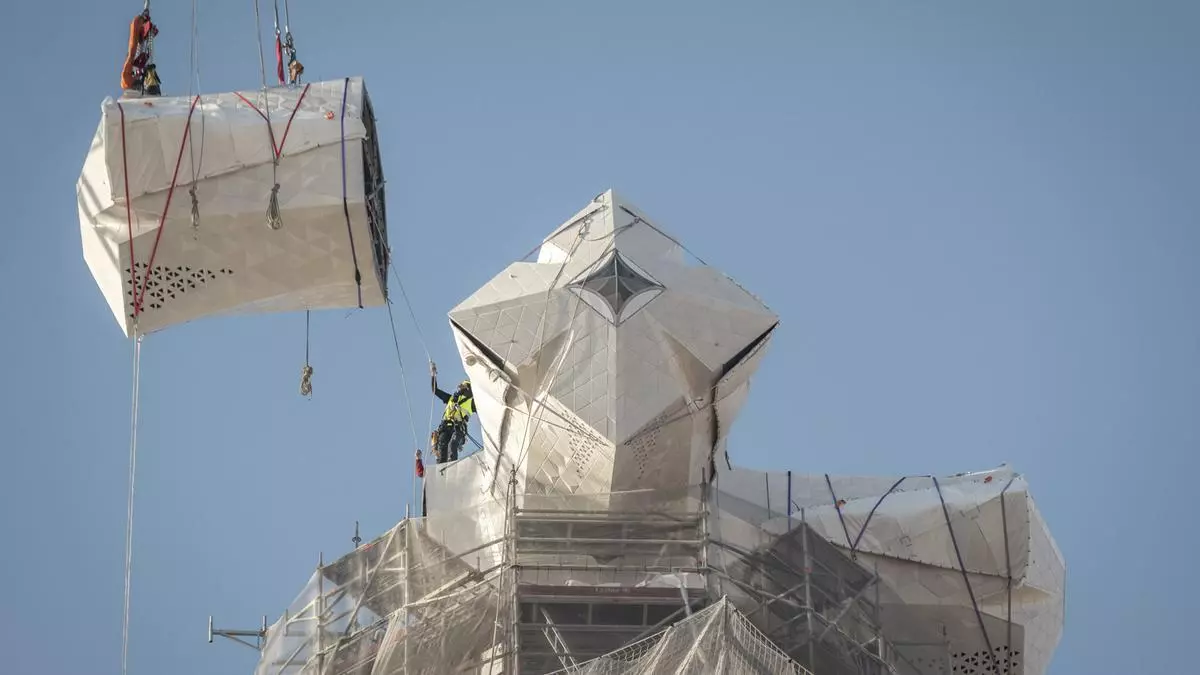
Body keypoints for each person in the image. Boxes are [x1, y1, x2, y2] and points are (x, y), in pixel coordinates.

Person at [430, 361, 474, 463]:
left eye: (465, 388)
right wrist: (433, 375)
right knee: (442, 446)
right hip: (445, 427)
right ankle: (442, 469)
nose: (463, 390)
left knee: (452, 445)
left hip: (458, 428)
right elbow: (435, 390)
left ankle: (451, 466)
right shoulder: (451, 398)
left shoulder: (472, 403)